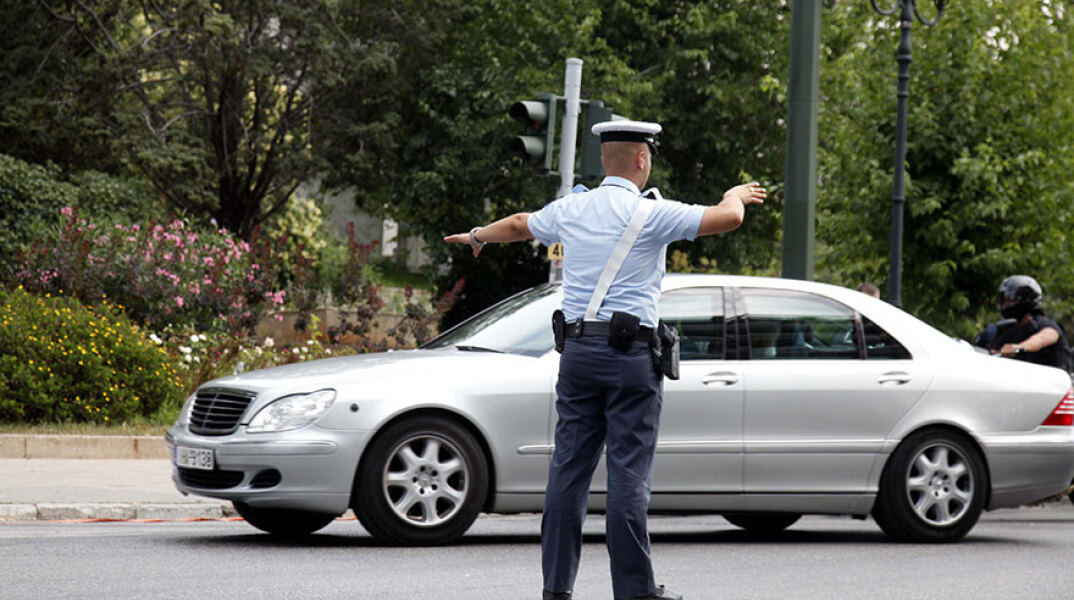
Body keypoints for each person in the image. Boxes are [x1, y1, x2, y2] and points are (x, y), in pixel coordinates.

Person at [445, 120, 765, 600]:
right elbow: (728, 218)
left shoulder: (572, 208)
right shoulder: (653, 214)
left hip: (576, 354)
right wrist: (734, 194)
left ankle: (556, 589)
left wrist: (475, 236)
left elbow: (515, 224)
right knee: (627, 475)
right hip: (630, 356)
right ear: (641, 159)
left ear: (604, 160)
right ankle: (634, 591)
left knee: (568, 471)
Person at [984, 275, 1072, 374]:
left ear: (1027, 299)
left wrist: (1020, 347)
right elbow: (989, 351)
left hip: (1057, 385)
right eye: (1005, 300)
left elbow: (1042, 339)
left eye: (1011, 299)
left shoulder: (1044, 324)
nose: (1006, 304)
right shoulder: (1007, 330)